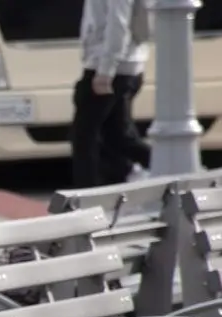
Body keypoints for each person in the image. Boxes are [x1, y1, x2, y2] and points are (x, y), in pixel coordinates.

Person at [70, 0, 153, 188]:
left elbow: (118, 24)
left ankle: (88, 193)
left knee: (84, 136)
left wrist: (106, 71)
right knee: (117, 135)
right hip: (126, 66)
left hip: (110, 68)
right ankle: (164, 168)